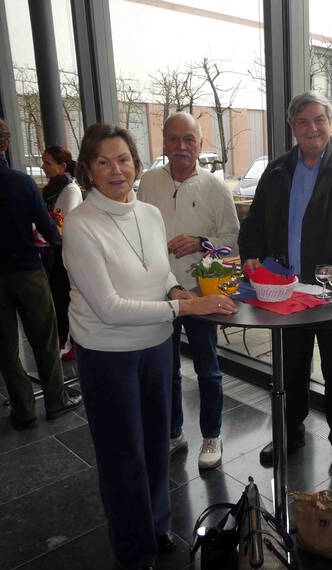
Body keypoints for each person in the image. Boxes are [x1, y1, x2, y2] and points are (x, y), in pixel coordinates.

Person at [64, 123, 235, 570]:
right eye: (103, 162)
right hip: (108, 353)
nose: (116, 170)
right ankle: (133, 549)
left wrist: (179, 291)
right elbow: (109, 307)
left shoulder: (149, 214)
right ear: (88, 169)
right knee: (123, 456)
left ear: (136, 164)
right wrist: (187, 306)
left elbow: (162, 276)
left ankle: (157, 526)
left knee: (157, 445)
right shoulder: (81, 224)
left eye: (123, 159)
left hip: (156, 346)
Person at [237, 91, 332, 476]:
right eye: (303, 121)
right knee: (290, 371)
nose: (312, 128)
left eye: (319, 119)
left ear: (331, 122)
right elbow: (254, 221)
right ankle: (290, 433)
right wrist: (250, 254)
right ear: (293, 127)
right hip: (286, 291)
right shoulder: (277, 169)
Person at [0, 113, 81, 430]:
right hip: (27, 272)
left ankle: (23, 409)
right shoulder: (20, 182)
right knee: (44, 339)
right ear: (5, 144)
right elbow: (49, 230)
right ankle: (55, 400)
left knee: (4, 346)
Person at [138, 112, 239, 471]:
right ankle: (173, 433)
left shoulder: (215, 187)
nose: (181, 146)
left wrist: (201, 242)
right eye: (173, 138)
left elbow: (232, 240)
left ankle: (212, 435)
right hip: (158, 291)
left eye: (188, 139)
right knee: (165, 370)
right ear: (164, 142)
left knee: (208, 369)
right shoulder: (149, 182)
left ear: (199, 143)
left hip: (199, 292)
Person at [40, 145, 82, 360]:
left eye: (48, 163)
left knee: (65, 298)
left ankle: (70, 342)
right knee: (58, 298)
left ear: (62, 166)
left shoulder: (69, 190)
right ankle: (65, 340)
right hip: (53, 251)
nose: (43, 166)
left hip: (65, 253)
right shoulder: (52, 188)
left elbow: (65, 224)